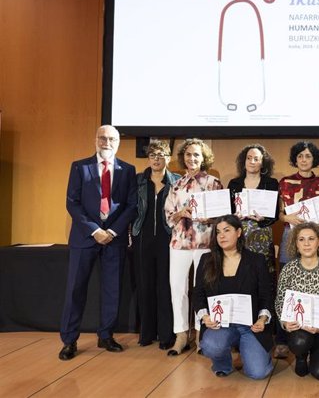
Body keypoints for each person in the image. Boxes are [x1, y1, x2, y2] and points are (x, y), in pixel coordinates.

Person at [59, 125, 137, 360]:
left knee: (112, 290)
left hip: (115, 238)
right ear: (95, 140)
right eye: (102, 138)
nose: (107, 142)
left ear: (118, 142)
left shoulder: (128, 169)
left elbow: (132, 205)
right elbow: (72, 203)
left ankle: (106, 336)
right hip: (85, 238)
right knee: (75, 290)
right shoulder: (79, 167)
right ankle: (69, 341)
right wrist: (95, 231)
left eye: (112, 138)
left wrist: (112, 231)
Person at [193, 215, 274, 379]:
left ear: (238, 232)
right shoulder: (206, 260)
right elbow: (198, 294)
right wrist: (205, 316)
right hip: (220, 325)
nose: (221, 236)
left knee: (257, 373)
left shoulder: (256, 260)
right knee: (210, 346)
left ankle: (261, 354)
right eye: (218, 232)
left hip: (250, 326)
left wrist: (262, 319)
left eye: (227, 230)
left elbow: (267, 294)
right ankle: (222, 364)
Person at [164, 138, 223, 355]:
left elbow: (223, 217)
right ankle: (181, 335)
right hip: (179, 243)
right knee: (177, 289)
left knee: (203, 289)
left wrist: (209, 218)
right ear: (183, 158)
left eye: (196, 154)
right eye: (188, 154)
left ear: (203, 158)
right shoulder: (176, 185)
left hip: (204, 243)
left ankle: (201, 333)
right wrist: (181, 213)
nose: (192, 158)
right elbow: (168, 216)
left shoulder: (213, 183)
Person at [275, 141, 319, 359]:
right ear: (295, 159)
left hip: (316, 236)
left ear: (314, 159)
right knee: (286, 286)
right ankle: (282, 338)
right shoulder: (284, 182)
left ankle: (314, 334)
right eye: (300, 156)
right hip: (290, 235)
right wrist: (286, 217)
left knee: (315, 283)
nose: (304, 160)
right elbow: (279, 214)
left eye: (308, 156)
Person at [275, 222, 319, 380]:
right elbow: (280, 301)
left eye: (311, 239)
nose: (306, 243)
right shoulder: (289, 269)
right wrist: (285, 322)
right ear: (296, 243)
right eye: (301, 239)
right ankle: (301, 355)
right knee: (299, 342)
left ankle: (317, 352)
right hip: (298, 327)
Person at [131, 140, 180, 350]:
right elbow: (131, 209)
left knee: (165, 286)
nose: (157, 159)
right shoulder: (138, 180)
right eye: (153, 155)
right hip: (142, 238)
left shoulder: (177, 181)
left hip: (168, 238)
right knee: (144, 285)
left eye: (161, 155)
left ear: (168, 157)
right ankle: (147, 333)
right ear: (148, 158)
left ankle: (167, 334)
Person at [228, 144, 280, 275]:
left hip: (262, 234)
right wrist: (234, 217)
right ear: (243, 161)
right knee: (240, 273)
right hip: (239, 235)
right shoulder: (234, 184)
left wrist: (263, 219)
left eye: (256, 159)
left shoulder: (271, 183)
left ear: (263, 163)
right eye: (248, 158)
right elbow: (227, 212)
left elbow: (275, 214)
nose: (252, 162)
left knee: (263, 273)